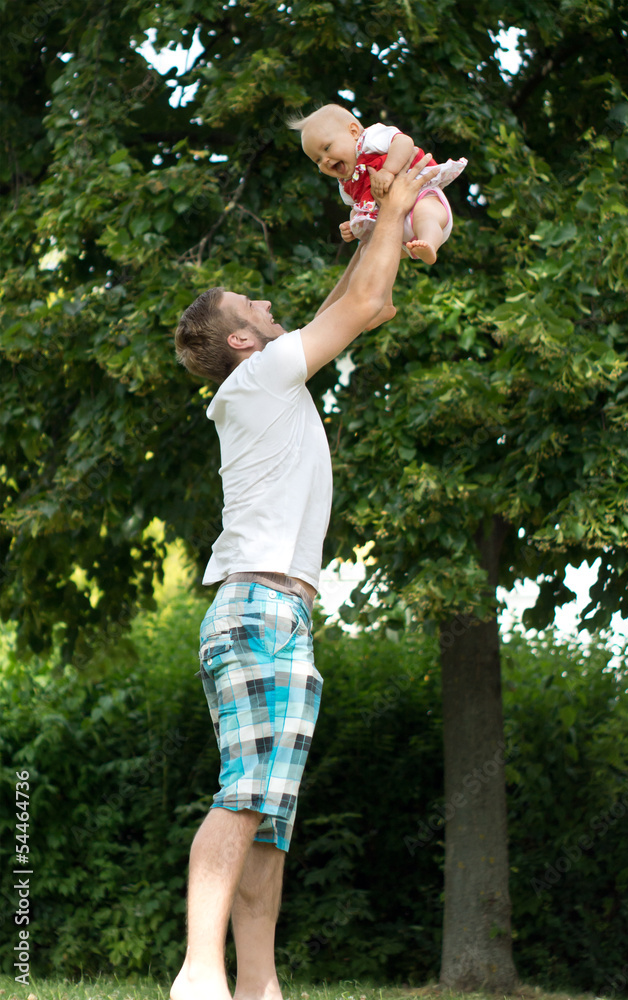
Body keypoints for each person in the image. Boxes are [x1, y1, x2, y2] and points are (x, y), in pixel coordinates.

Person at [169, 152, 438, 1000]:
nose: (270, 303)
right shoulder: (256, 380)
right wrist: (394, 201)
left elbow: (360, 298)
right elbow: (359, 307)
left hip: (277, 614)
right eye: (254, 305)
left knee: (270, 822)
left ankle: (258, 986)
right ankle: (201, 973)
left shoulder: (268, 380)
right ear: (241, 341)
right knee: (245, 795)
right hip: (257, 608)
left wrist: (378, 225)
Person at [289, 103, 467, 265]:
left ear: (353, 132)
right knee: (368, 254)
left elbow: (404, 142)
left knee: (426, 214)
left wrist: (388, 170)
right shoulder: (346, 185)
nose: (325, 160)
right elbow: (357, 207)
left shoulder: (370, 140)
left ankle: (429, 244)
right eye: (317, 160)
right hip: (395, 231)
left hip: (419, 197)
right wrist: (353, 225)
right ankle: (384, 299)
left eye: (327, 148)